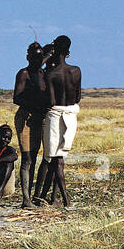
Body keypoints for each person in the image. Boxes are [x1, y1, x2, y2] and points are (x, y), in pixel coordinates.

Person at [37, 35, 81, 208]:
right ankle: (53, 197)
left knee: (54, 158)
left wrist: (47, 56)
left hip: (55, 116)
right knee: (60, 158)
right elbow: (78, 96)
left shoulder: (51, 74)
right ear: (68, 51)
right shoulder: (76, 71)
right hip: (70, 116)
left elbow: (52, 101)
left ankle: (64, 199)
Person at [12, 41, 49, 208]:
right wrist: (35, 104)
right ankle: (26, 199)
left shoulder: (42, 73)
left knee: (34, 157)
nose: (36, 59)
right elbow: (17, 97)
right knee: (27, 158)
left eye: (39, 57)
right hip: (26, 118)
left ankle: (32, 196)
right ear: (28, 57)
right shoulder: (24, 74)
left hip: (39, 118)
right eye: (34, 56)